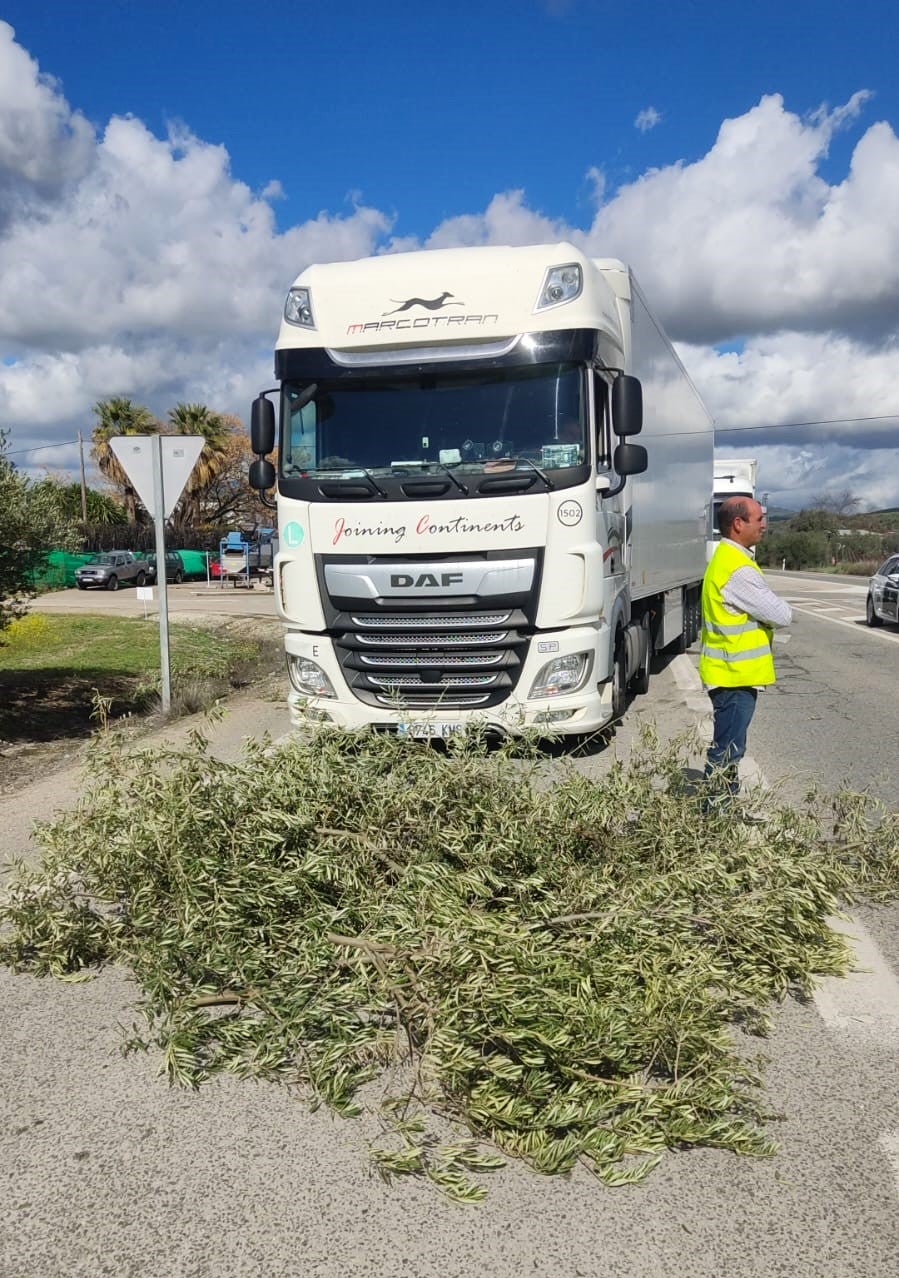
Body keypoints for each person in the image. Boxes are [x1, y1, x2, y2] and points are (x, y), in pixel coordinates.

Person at [698, 496, 792, 805]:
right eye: (759, 518)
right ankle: (713, 817)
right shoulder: (737, 569)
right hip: (733, 676)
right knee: (727, 750)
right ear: (738, 524)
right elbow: (781, 615)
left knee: (729, 746)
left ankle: (719, 811)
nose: (764, 524)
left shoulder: (727, 560)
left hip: (728, 673)